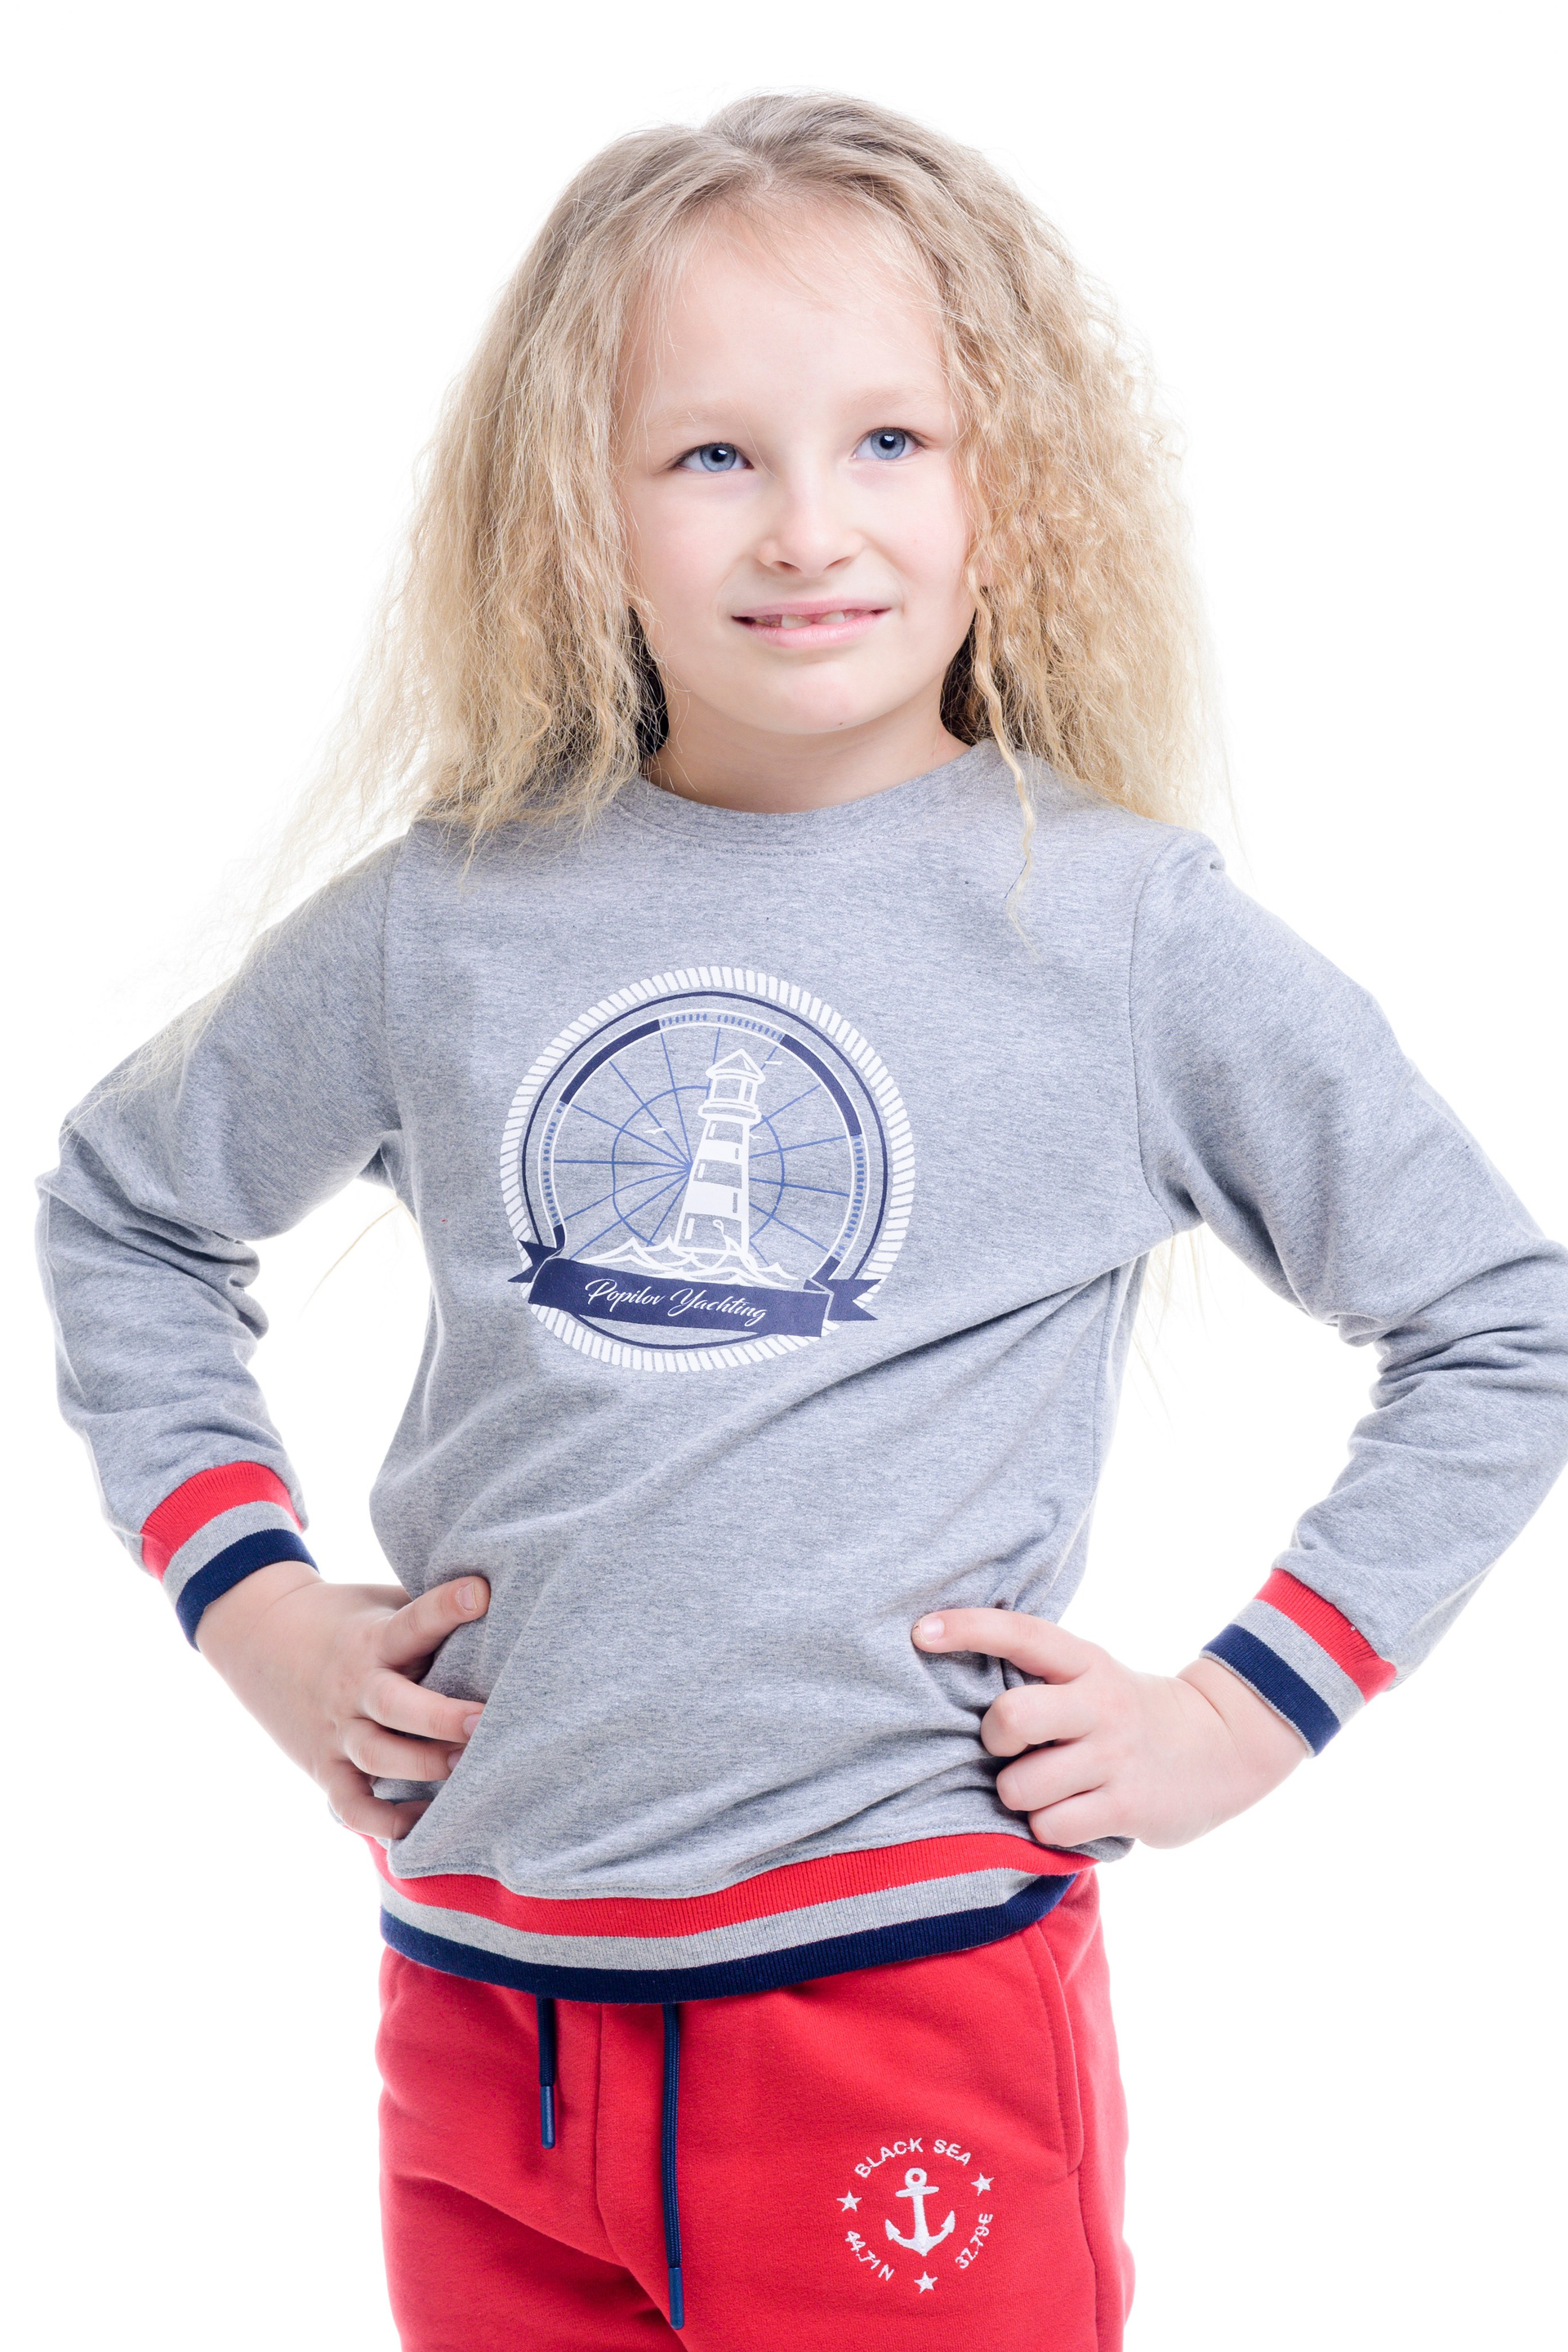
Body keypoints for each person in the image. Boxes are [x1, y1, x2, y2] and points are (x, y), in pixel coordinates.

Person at [36, 91, 1568, 2352]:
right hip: (480, 2008)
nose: (807, 527)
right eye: (711, 454)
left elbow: (1501, 1323)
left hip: (900, 1995)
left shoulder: (1120, 934)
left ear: (1007, 483)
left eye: (889, 441)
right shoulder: (446, 917)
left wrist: (1241, 1718)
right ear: (581, 508)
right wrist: (254, 1610)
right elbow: (127, 1212)